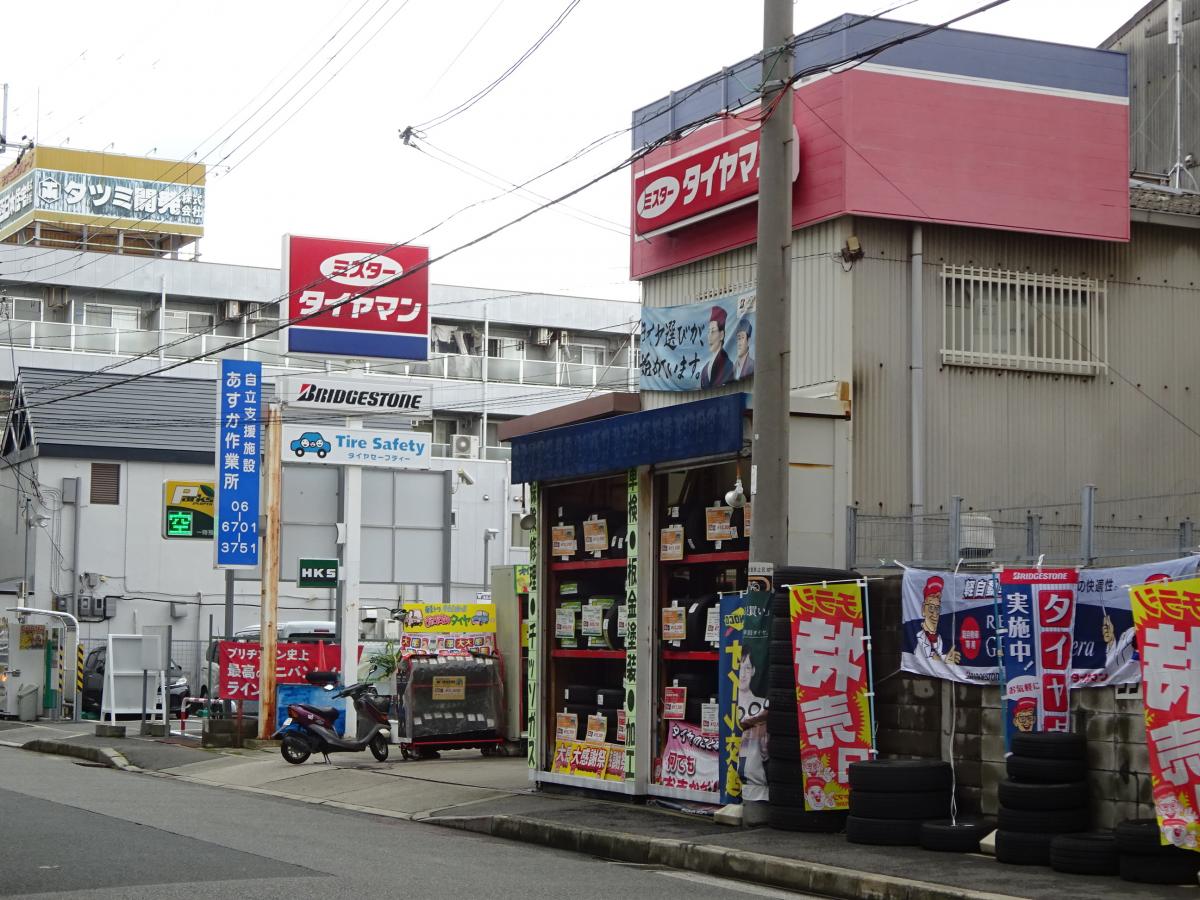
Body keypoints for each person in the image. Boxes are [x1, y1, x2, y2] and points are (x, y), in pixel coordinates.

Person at [917, 576, 962, 665]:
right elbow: (918, 661)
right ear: (923, 610)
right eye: (931, 608)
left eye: (937, 609)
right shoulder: (917, 639)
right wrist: (944, 660)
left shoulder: (938, 639)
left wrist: (946, 659)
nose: (935, 614)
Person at [700, 305, 734, 389]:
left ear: (721, 335)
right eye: (709, 331)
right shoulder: (705, 369)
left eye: (713, 331)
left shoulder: (727, 365)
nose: (709, 336)